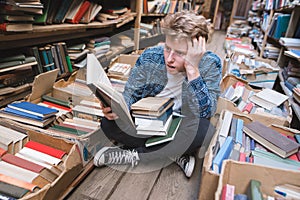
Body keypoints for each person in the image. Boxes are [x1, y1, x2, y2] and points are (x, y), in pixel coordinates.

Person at [93, 11, 222, 178]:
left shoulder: (210, 63)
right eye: (168, 48)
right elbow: (131, 94)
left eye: (180, 53)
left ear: (197, 50)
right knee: (108, 124)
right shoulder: (150, 57)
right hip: (149, 122)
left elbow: (206, 111)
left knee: (204, 131)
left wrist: (192, 69)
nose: (169, 58)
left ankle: (131, 155)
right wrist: (116, 107)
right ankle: (174, 153)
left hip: (180, 125)